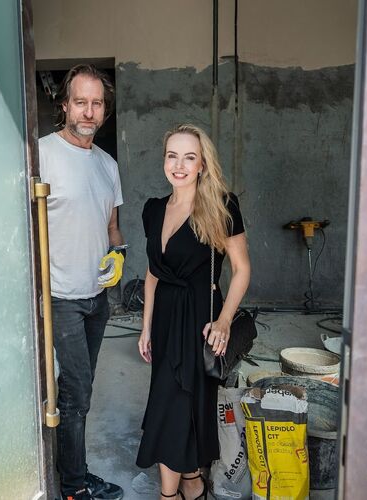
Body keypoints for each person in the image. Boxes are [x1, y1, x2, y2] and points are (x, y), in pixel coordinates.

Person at [136, 124, 251, 499]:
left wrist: (224, 321)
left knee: (175, 407)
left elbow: (242, 269)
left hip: (201, 320)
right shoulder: (154, 209)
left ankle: (169, 495)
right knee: (174, 405)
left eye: (189, 157)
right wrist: (145, 327)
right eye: (172, 156)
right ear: (164, 161)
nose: (179, 165)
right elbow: (153, 274)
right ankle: (192, 482)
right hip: (165, 319)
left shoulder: (220, 205)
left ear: (202, 164)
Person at [39, 64, 126, 500]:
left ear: (104, 110)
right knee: (75, 391)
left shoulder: (108, 165)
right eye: (80, 102)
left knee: (80, 389)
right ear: (64, 105)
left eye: (97, 104)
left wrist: (119, 253)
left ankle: (73, 471)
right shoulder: (41, 155)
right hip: (60, 297)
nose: (89, 112)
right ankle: (72, 486)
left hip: (97, 298)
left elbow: (112, 227)